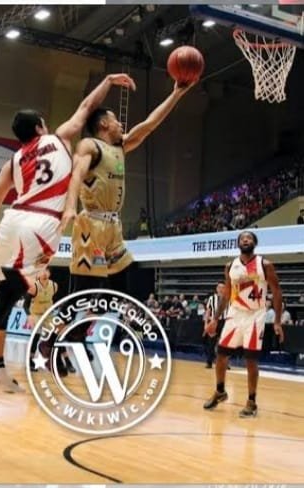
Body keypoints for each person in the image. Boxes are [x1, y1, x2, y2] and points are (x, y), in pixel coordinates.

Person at [0, 72, 136, 392]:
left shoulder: (13, 161)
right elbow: (87, 106)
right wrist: (109, 81)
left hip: (11, 221)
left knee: (4, 295)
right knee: (6, 297)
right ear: (41, 127)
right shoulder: (59, 138)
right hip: (39, 224)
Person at [60, 81, 194, 288]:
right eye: (116, 120)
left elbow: (149, 125)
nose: (121, 124)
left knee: (121, 285)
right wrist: (70, 206)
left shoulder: (120, 147)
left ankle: (116, 310)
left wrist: (176, 94)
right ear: (103, 124)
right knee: (86, 289)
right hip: (92, 225)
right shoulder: (90, 145)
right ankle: (75, 310)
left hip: (114, 226)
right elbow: (76, 175)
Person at [203, 231, 284, 417]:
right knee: (221, 354)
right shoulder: (230, 266)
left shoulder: (265, 265)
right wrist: (215, 319)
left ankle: (251, 401)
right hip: (235, 314)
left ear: (254, 243)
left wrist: (278, 321)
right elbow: (226, 294)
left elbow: (277, 292)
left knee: (251, 359)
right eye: (242, 238)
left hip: (256, 315)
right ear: (238, 243)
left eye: (249, 238)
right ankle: (220, 391)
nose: (245, 240)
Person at [26, 268, 75, 374]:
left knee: (58, 335)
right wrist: (29, 315)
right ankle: (30, 360)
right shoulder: (34, 287)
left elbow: (57, 299)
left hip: (48, 315)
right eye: (42, 271)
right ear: (38, 274)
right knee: (36, 336)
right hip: (36, 314)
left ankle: (67, 361)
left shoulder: (54, 286)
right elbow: (26, 304)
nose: (44, 273)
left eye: (46, 271)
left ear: (50, 273)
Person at [203, 282, 228, 369]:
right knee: (211, 342)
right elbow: (208, 311)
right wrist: (206, 323)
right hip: (214, 322)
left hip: (225, 321)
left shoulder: (228, 297)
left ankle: (225, 363)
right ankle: (209, 362)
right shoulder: (212, 298)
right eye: (219, 287)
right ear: (217, 289)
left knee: (225, 344)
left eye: (223, 287)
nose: (221, 289)